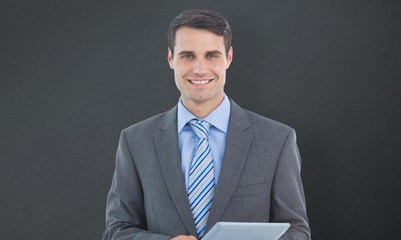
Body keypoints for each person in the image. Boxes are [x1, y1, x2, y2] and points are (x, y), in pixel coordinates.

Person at [102, 9, 311, 240]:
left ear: (228, 58)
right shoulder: (135, 141)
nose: (200, 69)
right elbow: (116, 230)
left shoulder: (277, 140)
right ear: (171, 59)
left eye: (211, 55)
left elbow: (297, 231)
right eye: (187, 56)